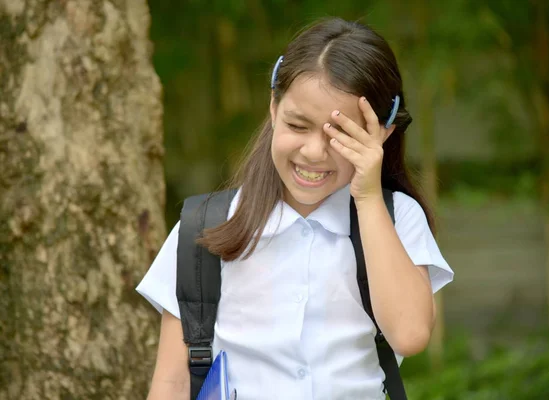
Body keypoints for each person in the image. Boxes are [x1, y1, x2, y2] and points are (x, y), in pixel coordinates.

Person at [136, 17, 454, 400]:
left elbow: (410, 333)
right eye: (297, 126)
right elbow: (172, 382)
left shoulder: (396, 217)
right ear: (273, 107)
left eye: (341, 135)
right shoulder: (205, 228)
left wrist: (368, 198)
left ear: (382, 132)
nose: (314, 152)